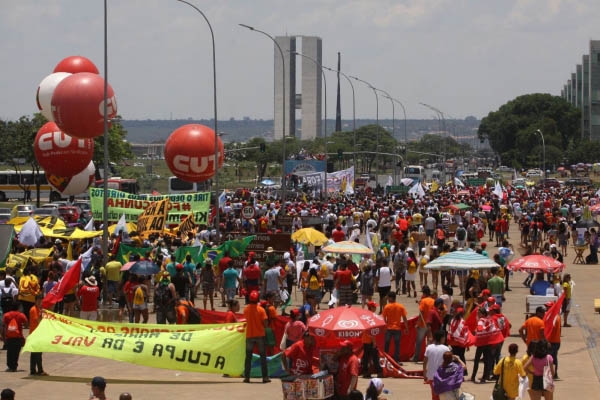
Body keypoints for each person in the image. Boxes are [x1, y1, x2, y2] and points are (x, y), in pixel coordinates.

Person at [243, 290, 270, 384]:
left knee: (248, 357)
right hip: (260, 335)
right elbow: (266, 323)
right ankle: (265, 377)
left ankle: (247, 377)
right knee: (263, 357)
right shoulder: (261, 310)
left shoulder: (246, 309)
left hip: (249, 335)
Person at [381, 292, 409, 364]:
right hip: (397, 328)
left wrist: (384, 328)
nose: (387, 299)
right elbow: (405, 318)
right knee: (397, 345)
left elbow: (383, 319)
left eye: (388, 298)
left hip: (389, 329)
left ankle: (386, 359)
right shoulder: (400, 306)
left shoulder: (387, 307)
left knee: (387, 344)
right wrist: (407, 328)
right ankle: (396, 360)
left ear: (391, 298)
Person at [424, 330, 451, 400]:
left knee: (435, 395)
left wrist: (424, 374)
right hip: (442, 376)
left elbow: (425, 362)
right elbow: (449, 363)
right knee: (443, 395)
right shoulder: (446, 348)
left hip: (431, 376)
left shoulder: (429, 348)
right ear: (441, 338)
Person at [1, 301, 27, 372]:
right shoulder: (21, 315)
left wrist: (3, 336)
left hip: (9, 336)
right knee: (16, 352)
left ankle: (10, 366)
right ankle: (14, 366)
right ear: (18, 307)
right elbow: (26, 322)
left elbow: (3, 326)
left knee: (9, 352)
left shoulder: (6, 315)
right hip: (18, 337)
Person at [362, 301, 383, 378]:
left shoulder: (365, 315)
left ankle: (365, 372)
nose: (376, 308)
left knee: (366, 357)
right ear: (371, 308)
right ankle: (379, 371)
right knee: (375, 357)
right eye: (375, 307)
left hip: (365, 339)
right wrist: (374, 342)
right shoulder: (371, 316)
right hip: (370, 340)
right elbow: (372, 330)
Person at [28, 294, 47, 376]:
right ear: (35, 301)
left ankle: (35, 370)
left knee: (36, 353)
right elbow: (38, 320)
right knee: (37, 353)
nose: (40, 302)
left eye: (41, 301)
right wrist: (43, 315)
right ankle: (38, 370)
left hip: (38, 333)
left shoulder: (39, 309)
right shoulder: (34, 310)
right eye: (38, 301)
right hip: (35, 334)